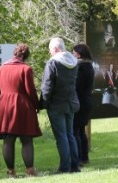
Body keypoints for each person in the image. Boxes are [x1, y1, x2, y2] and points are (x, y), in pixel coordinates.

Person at [0, 43, 41, 178]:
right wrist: (37, 105)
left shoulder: (1, 68)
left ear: (14, 53)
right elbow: (30, 91)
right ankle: (30, 171)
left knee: (8, 141)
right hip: (22, 107)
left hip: (4, 107)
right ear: (26, 56)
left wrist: (5, 97)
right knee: (26, 140)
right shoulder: (26, 69)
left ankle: (10, 172)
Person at [41, 37, 81, 173]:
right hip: (71, 102)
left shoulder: (52, 63)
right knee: (70, 135)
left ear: (56, 49)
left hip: (57, 104)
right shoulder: (74, 62)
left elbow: (47, 86)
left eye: (50, 50)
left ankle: (65, 167)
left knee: (62, 137)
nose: (50, 53)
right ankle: (75, 165)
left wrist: (43, 103)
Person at [72, 44, 95, 166]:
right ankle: (84, 156)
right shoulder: (88, 66)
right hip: (86, 101)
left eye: (73, 52)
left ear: (79, 54)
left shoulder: (81, 68)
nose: (72, 55)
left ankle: (79, 158)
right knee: (81, 130)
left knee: (76, 130)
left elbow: (77, 87)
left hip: (80, 102)